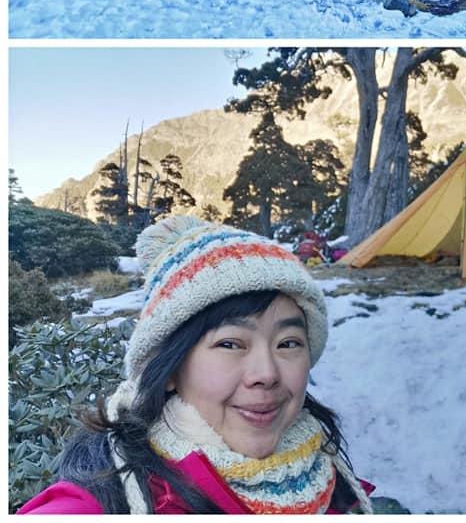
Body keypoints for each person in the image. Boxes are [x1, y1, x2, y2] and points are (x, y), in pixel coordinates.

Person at [18, 216, 373, 515]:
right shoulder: (103, 501)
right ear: (170, 369)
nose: (267, 373)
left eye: (288, 344)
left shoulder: (325, 475)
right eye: (230, 343)